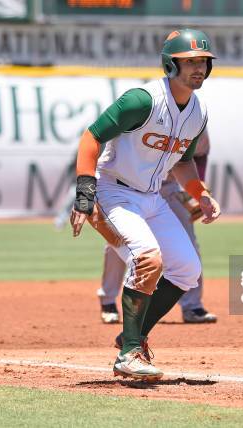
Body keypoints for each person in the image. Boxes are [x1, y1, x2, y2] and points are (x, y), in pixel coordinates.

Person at [70, 28, 221, 381]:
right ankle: (129, 354)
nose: (198, 68)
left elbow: (183, 163)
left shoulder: (197, 113)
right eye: (190, 62)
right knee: (148, 258)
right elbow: (92, 137)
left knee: (186, 268)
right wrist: (84, 194)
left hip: (152, 197)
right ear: (171, 64)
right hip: (115, 191)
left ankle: (131, 337)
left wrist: (201, 193)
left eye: (203, 62)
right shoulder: (142, 100)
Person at [97, 130, 217, 324]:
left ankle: (192, 306)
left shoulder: (195, 120)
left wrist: (198, 190)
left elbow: (199, 154)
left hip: (167, 187)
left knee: (188, 243)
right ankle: (108, 301)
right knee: (119, 243)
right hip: (129, 187)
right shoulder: (146, 114)